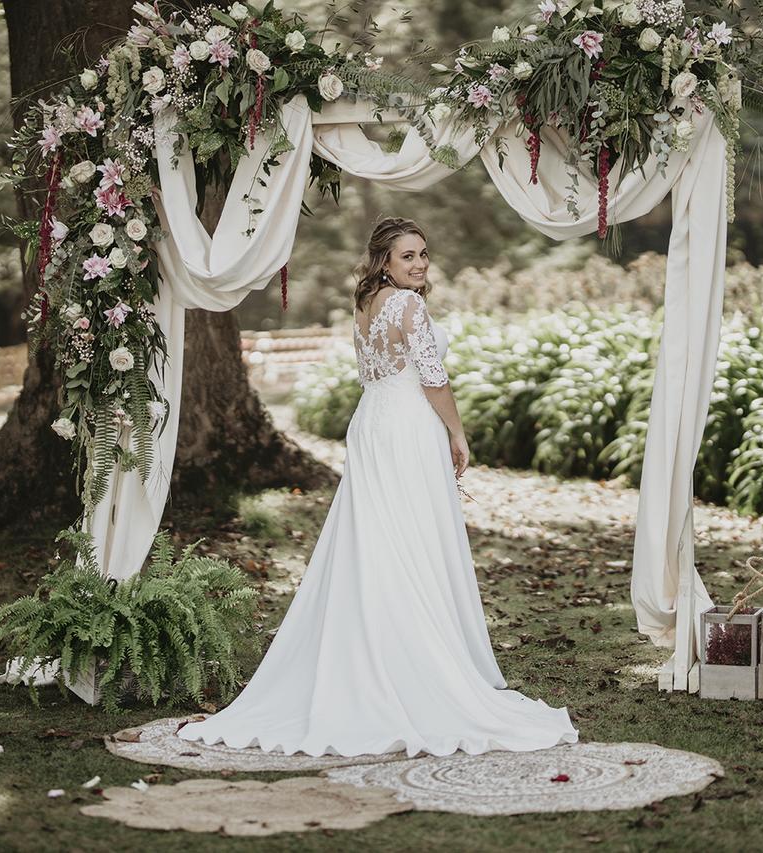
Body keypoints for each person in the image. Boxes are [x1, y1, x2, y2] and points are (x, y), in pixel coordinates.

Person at [178, 217, 578, 757]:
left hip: (373, 422)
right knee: (409, 538)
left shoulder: (366, 303)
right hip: (407, 425)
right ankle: (414, 661)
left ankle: (380, 649)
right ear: (383, 261)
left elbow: (377, 373)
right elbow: (432, 377)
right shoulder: (408, 306)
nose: (419, 264)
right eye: (407, 256)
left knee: (379, 540)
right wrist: (456, 432)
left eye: (423, 254)